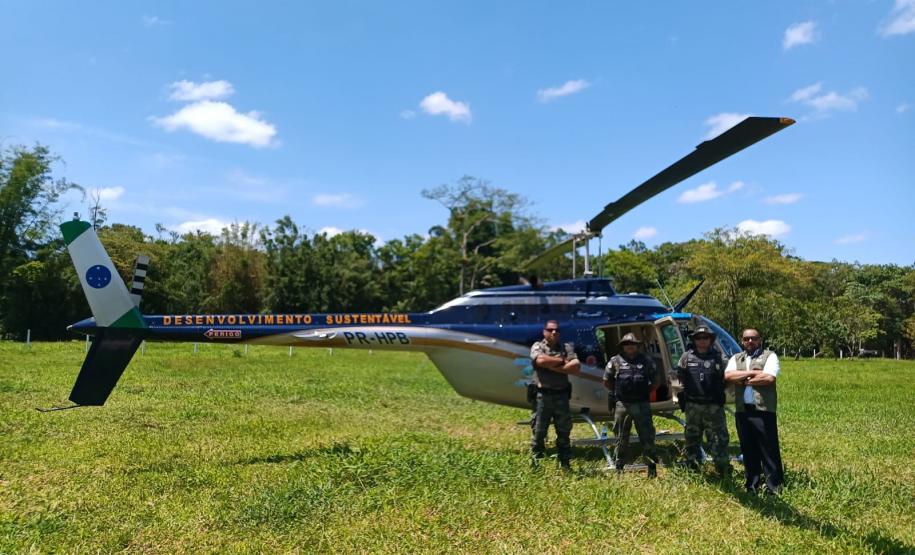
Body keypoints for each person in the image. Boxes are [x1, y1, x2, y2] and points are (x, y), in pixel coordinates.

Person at [724, 328, 784, 494]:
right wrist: (752, 374)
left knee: (769, 449)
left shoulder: (770, 356)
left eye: (754, 338)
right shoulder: (736, 358)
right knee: (748, 449)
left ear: (760, 339)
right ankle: (752, 485)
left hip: (763, 410)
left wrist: (741, 378)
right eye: (746, 339)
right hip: (743, 411)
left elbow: (769, 378)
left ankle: (774, 486)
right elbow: (728, 376)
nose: (750, 341)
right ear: (742, 341)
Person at [676, 326, 731, 476]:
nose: (701, 341)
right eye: (698, 338)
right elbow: (680, 377)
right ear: (694, 340)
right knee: (692, 438)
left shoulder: (720, 358)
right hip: (693, 406)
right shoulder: (686, 357)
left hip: (713, 406)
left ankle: (722, 470)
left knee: (719, 439)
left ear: (710, 340)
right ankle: (692, 469)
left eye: (705, 338)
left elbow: (728, 378)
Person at [603, 332, 660, 477]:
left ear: (637, 346)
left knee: (647, 436)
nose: (630, 346)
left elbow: (656, 381)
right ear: (622, 346)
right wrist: (617, 393)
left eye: (632, 344)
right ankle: (619, 467)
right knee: (621, 437)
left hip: (642, 404)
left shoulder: (646, 361)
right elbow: (606, 380)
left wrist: (644, 392)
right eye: (627, 344)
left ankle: (651, 468)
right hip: (623, 405)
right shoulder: (615, 361)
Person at [530, 320, 581, 469]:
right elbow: (540, 360)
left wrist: (551, 366)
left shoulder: (566, 347)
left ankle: (565, 464)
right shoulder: (538, 346)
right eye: (550, 329)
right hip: (542, 397)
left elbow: (576, 366)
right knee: (539, 432)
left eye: (557, 330)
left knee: (564, 432)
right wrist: (562, 361)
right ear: (544, 332)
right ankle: (536, 464)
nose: (554, 332)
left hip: (561, 396)